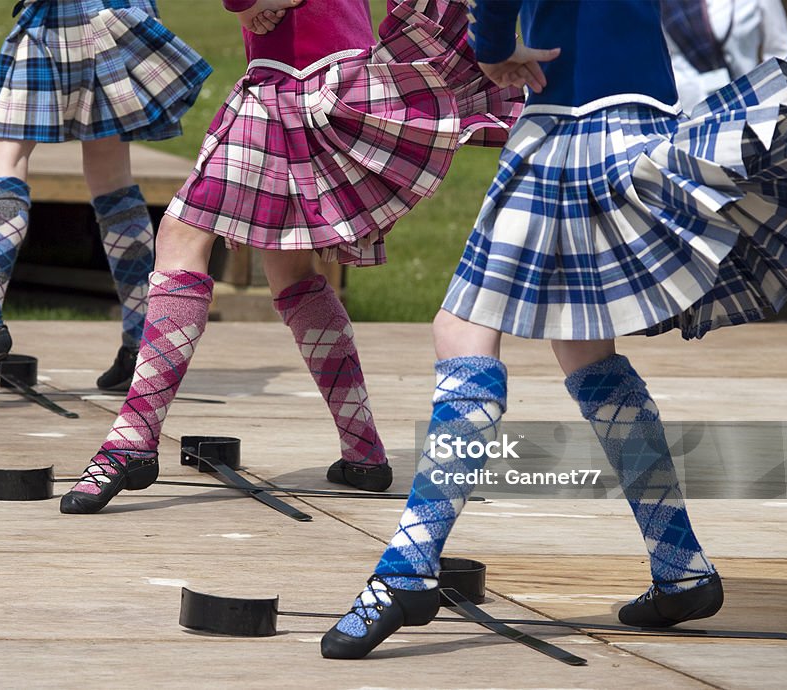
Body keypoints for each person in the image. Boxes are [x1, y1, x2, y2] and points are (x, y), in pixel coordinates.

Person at [321, 0, 787, 659]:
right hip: (641, 118)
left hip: (566, 125)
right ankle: (681, 569)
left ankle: (408, 569)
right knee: (584, 346)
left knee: (461, 333)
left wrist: (494, 45)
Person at [56, 0, 524, 514]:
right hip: (333, 79)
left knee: (181, 236)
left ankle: (132, 442)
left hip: (292, 86)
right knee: (291, 267)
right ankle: (363, 451)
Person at [0, 0, 212, 411]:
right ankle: (141, 343)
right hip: (117, 11)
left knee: (1, 155)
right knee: (111, 169)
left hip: (66, 14)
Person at [661, 0, 787, 113]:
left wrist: (771, 108)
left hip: (745, 111)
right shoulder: (657, 4)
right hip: (685, 117)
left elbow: (781, 52)